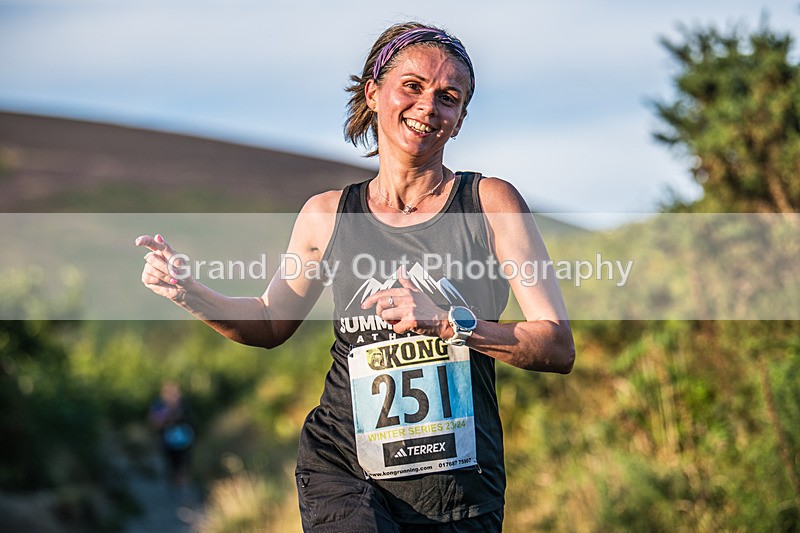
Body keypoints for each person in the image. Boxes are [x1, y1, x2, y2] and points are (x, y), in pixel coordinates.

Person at [135, 21, 574, 532]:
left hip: (459, 489)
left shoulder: (490, 204)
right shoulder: (326, 216)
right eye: (412, 86)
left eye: (448, 97)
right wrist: (189, 291)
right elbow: (271, 321)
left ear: (460, 119)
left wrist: (450, 324)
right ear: (374, 91)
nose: (428, 106)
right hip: (345, 471)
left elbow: (556, 345)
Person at [148, 381, 195, 486]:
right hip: (167, 439)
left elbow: (191, 421)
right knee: (171, 461)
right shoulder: (159, 404)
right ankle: (173, 483)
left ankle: (183, 484)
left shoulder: (184, 404)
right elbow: (154, 422)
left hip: (184, 438)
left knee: (184, 460)